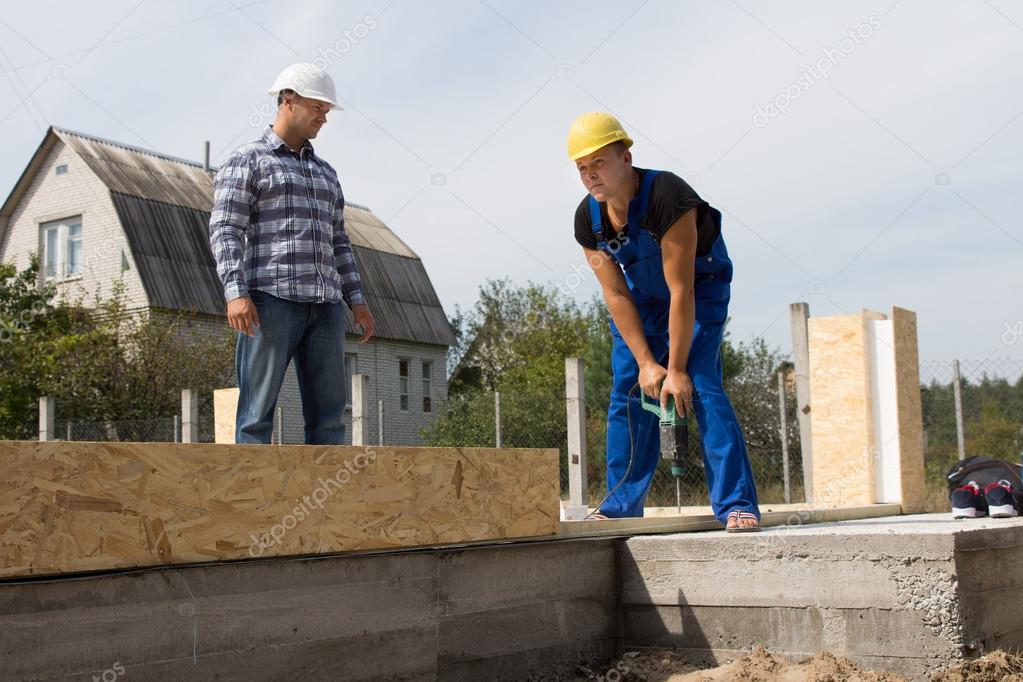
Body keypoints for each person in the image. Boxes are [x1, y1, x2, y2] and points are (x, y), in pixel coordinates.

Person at [568, 112, 761, 531]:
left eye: (598, 163)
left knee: (700, 384)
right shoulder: (589, 221)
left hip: (698, 291)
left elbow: (682, 291)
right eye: (582, 168)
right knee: (629, 393)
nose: (589, 175)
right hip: (640, 302)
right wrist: (646, 363)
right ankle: (619, 506)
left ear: (625, 157)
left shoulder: (666, 196)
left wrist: (674, 370)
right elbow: (616, 294)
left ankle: (736, 505)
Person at [209, 63, 374, 445]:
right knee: (255, 415)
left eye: (327, 111)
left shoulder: (326, 174)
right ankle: (252, 503)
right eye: (318, 107)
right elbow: (225, 228)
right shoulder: (247, 160)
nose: (323, 118)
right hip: (271, 303)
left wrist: (357, 301)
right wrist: (236, 292)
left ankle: (322, 504)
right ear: (288, 100)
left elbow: (339, 243)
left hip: (327, 307)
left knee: (330, 419)